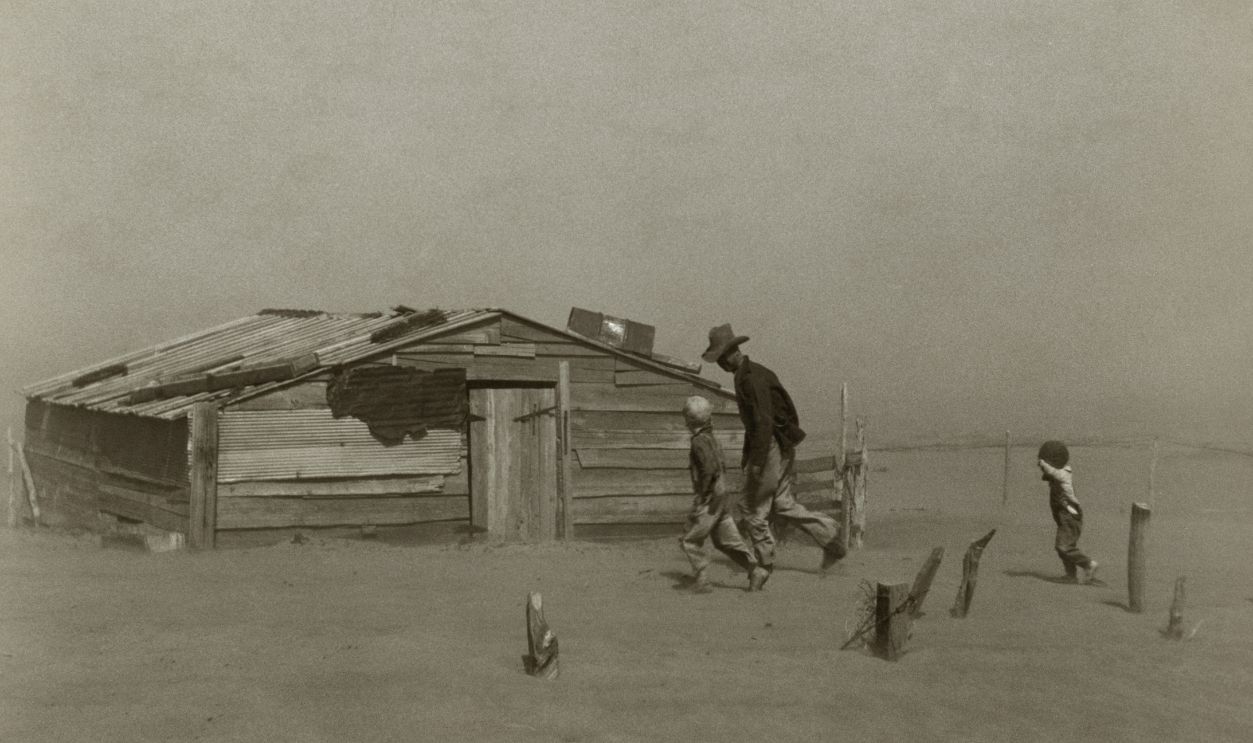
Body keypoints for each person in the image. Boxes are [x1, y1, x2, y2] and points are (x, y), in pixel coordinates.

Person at [701, 324, 846, 591]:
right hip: (776, 445)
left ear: (732, 352)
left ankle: (764, 567)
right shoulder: (748, 373)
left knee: (751, 507)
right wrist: (751, 456)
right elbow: (757, 424)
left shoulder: (751, 378)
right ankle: (832, 538)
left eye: (721, 357)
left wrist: (756, 463)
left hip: (771, 446)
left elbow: (763, 422)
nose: (720, 364)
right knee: (783, 503)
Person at [678, 395, 766, 593]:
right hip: (722, 497)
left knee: (690, 539)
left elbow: (709, 469)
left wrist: (703, 496)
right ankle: (755, 570)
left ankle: (702, 579)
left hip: (710, 499)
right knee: (726, 540)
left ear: (689, 420)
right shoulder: (712, 438)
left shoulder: (699, 441)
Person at [1037, 440, 1099, 584]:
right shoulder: (1056, 473)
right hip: (1063, 516)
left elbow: (1053, 472)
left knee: (1062, 546)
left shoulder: (1064, 473)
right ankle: (1071, 576)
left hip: (1070, 516)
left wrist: (1043, 463)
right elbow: (1049, 474)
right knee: (1066, 547)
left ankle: (1089, 564)